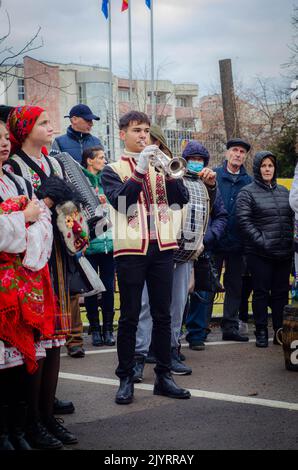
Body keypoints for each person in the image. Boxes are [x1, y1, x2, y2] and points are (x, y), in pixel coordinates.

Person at [101, 111, 191, 404]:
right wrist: (139, 171)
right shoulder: (112, 169)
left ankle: (164, 376)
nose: (143, 135)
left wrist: (168, 172)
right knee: (128, 317)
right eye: (137, 130)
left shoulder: (158, 166)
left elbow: (180, 199)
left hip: (163, 247)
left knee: (163, 315)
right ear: (122, 134)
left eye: (146, 131)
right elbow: (124, 206)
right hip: (131, 250)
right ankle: (126, 377)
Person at [6, 106, 78, 448]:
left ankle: (47, 415)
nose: (51, 127)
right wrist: (49, 201)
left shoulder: (55, 162)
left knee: (56, 340)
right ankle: (30, 419)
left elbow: (71, 210)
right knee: (34, 342)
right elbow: (27, 213)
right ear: (24, 130)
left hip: (58, 255)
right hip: (29, 262)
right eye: (43, 122)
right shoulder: (14, 167)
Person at [0, 119, 54, 450]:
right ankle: (4, 432)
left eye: (6, 138)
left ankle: (22, 427)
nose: (4, 143)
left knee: (21, 362)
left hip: (23, 278)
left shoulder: (15, 179)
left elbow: (44, 223)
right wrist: (24, 218)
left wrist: (28, 227)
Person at [236, 151, 293, 347]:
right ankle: (261, 331)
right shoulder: (247, 192)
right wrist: (262, 241)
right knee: (260, 293)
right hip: (259, 253)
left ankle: (279, 331)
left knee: (281, 294)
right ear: (257, 168)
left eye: (270, 165)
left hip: (283, 253)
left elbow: (290, 220)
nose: (267, 169)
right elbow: (243, 221)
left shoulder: (284, 192)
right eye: (264, 166)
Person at [213, 138, 252, 341]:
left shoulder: (249, 182)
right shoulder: (215, 176)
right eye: (234, 150)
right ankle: (200, 329)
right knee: (208, 285)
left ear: (245, 156)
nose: (238, 154)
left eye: (241, 152)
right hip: (216, 240)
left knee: (235, 286)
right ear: (227, 153)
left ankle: (230, 327)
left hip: (238, 243)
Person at [185, 188, 228, 350]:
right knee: (177, 296)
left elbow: (221, 216)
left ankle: (196, 334)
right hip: (180, 248)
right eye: (193, 159)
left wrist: (209, 236)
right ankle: (171, 338)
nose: (195, 162)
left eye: (199, 160)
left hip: (204, 248)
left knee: (202, 292)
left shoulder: (210, 186)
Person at [81, 146, 115, 347]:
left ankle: (109, 329)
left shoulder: (107, 181)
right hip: (90, 245)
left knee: (109, 287)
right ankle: (95, 329)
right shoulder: (80, 181)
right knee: (92, 288)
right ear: (89, 161)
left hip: (109, 244)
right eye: (101, 158)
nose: (104, 161)